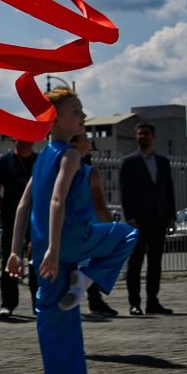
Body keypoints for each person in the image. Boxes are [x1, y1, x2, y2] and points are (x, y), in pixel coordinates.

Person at [5, 88, 137, 374]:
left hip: (46, 252)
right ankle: (86, 279)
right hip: (70, 242)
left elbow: (23, 205)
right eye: (76, 110)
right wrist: (53, 246)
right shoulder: (69, 154)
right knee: (127, 234)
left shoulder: (41, 156)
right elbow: (56, 200)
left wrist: (14, 251)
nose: (82, 115)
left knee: (52, 321)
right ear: (56, 118)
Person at [118, 122, 177, 316]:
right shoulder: (129, 162)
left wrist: (171, 217)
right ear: (136, 137)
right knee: (135, 264)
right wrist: (130, 218)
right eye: (140, 134)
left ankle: (153, 301)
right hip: (138, 221)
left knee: (155, 264)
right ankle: (134, 303)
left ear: (153, 136)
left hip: (159, 219)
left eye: (146, 133)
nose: (143, 136)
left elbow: (168, 190)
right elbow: (125, 193)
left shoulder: (162, 162)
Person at [69, 130, 120, 318]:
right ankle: (84, 295)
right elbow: (99, 205)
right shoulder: (88, 172)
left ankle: (90, 299)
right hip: (83, 227)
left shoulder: (54, 168)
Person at [0, 137, 38, 319]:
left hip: (35, 219)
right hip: (12, 219)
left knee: (36, 260)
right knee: (9, 260)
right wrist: (7, 213)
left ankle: (38, 303)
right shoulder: (5, 161)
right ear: (14, 139)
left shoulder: (39, 160)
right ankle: (8, 304)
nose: (26, 141)